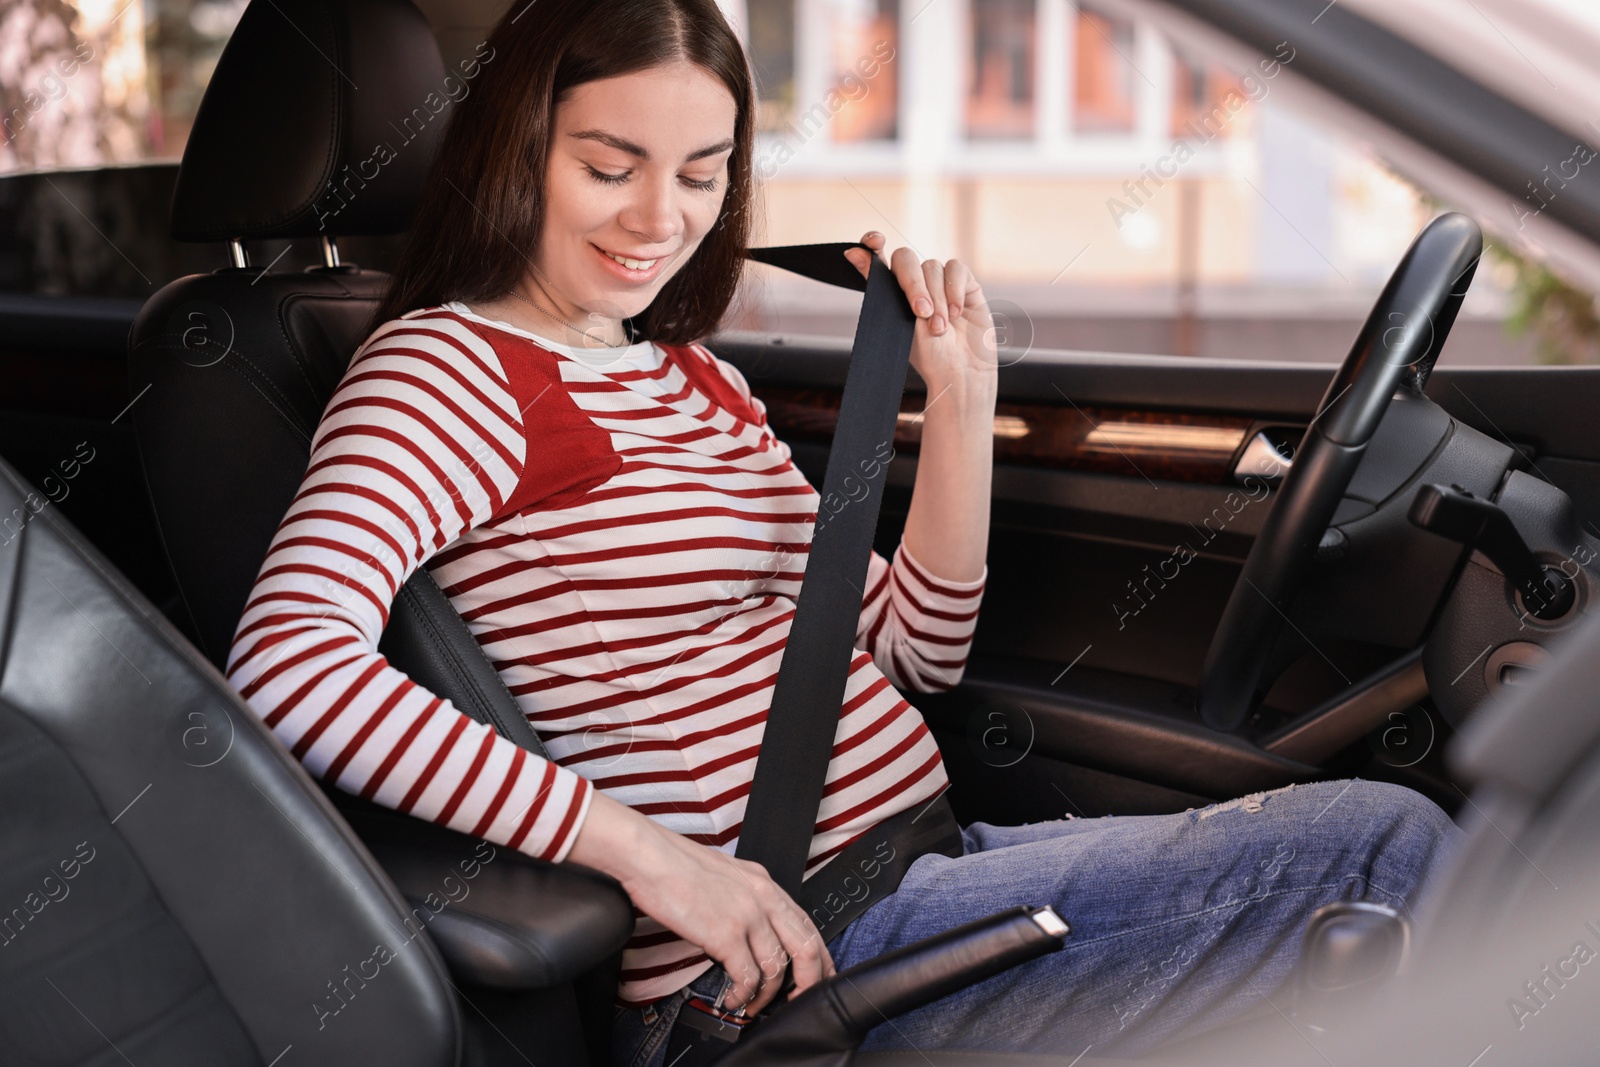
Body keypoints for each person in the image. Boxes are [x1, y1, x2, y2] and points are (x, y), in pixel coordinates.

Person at [223, 0, 1464, 1064]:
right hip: (784, 972)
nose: (661, 218)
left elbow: (909, 651)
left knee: (1379, 837)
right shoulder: (447, 369)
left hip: (931, 869)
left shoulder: (691, 377)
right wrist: (654, 859)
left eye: (702, 174)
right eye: (609, 165)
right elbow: (290, 667)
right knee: (1384, 847)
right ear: (516, 150)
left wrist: (961, 395)